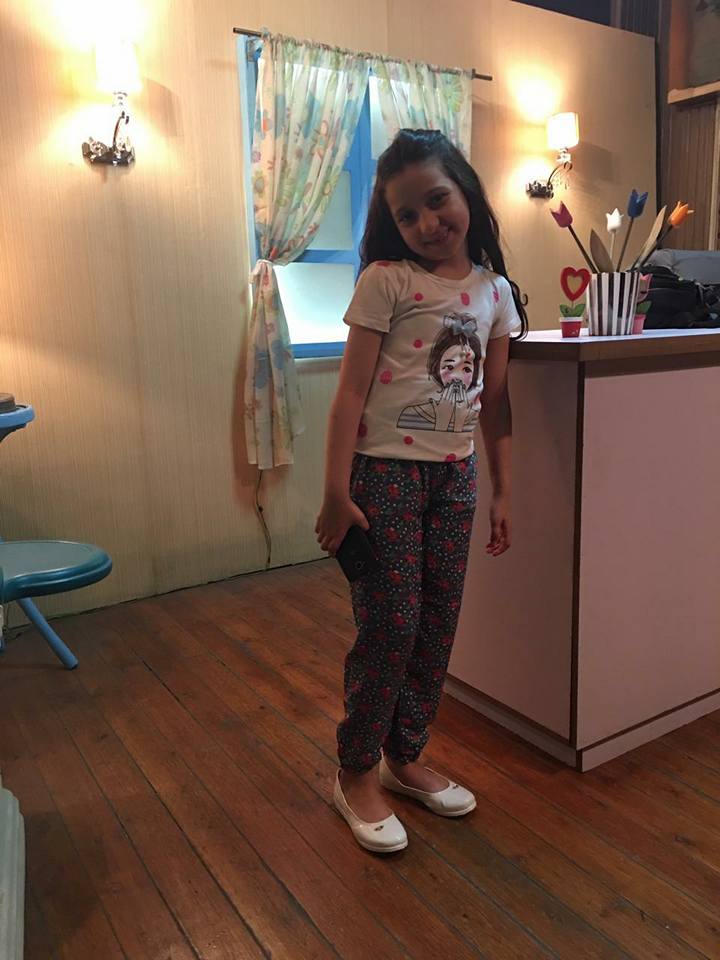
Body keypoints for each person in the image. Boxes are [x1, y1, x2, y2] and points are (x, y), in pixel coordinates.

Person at [315, 128, 528, 853]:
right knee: (391, 624)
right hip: (384, 476)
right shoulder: (386, 280)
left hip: (456, 477)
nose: (427, 223)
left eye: (438, 201)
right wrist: (335, 492)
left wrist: (503, 492)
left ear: (465, 190)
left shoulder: (496, 293)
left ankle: (404, 756)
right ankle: (355, 771)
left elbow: (494, 404)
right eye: (407, 215)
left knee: (437, 623)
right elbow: (348, 396)